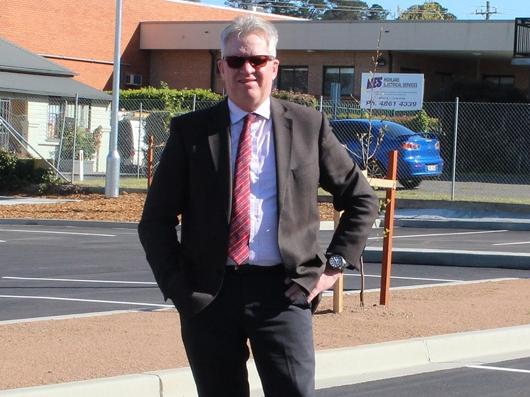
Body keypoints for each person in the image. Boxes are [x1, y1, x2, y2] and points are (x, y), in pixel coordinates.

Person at [138, 15, 378, 397]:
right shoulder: (191, 132)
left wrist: (331, 270)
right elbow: (156, 221)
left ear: (274, 67)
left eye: (257, 60)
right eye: (235, 61)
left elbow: (362, 199)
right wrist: (180, 289)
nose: (246, 69)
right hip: (209, 297)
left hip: (284, 293)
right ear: (221, 67)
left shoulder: (308, 125)